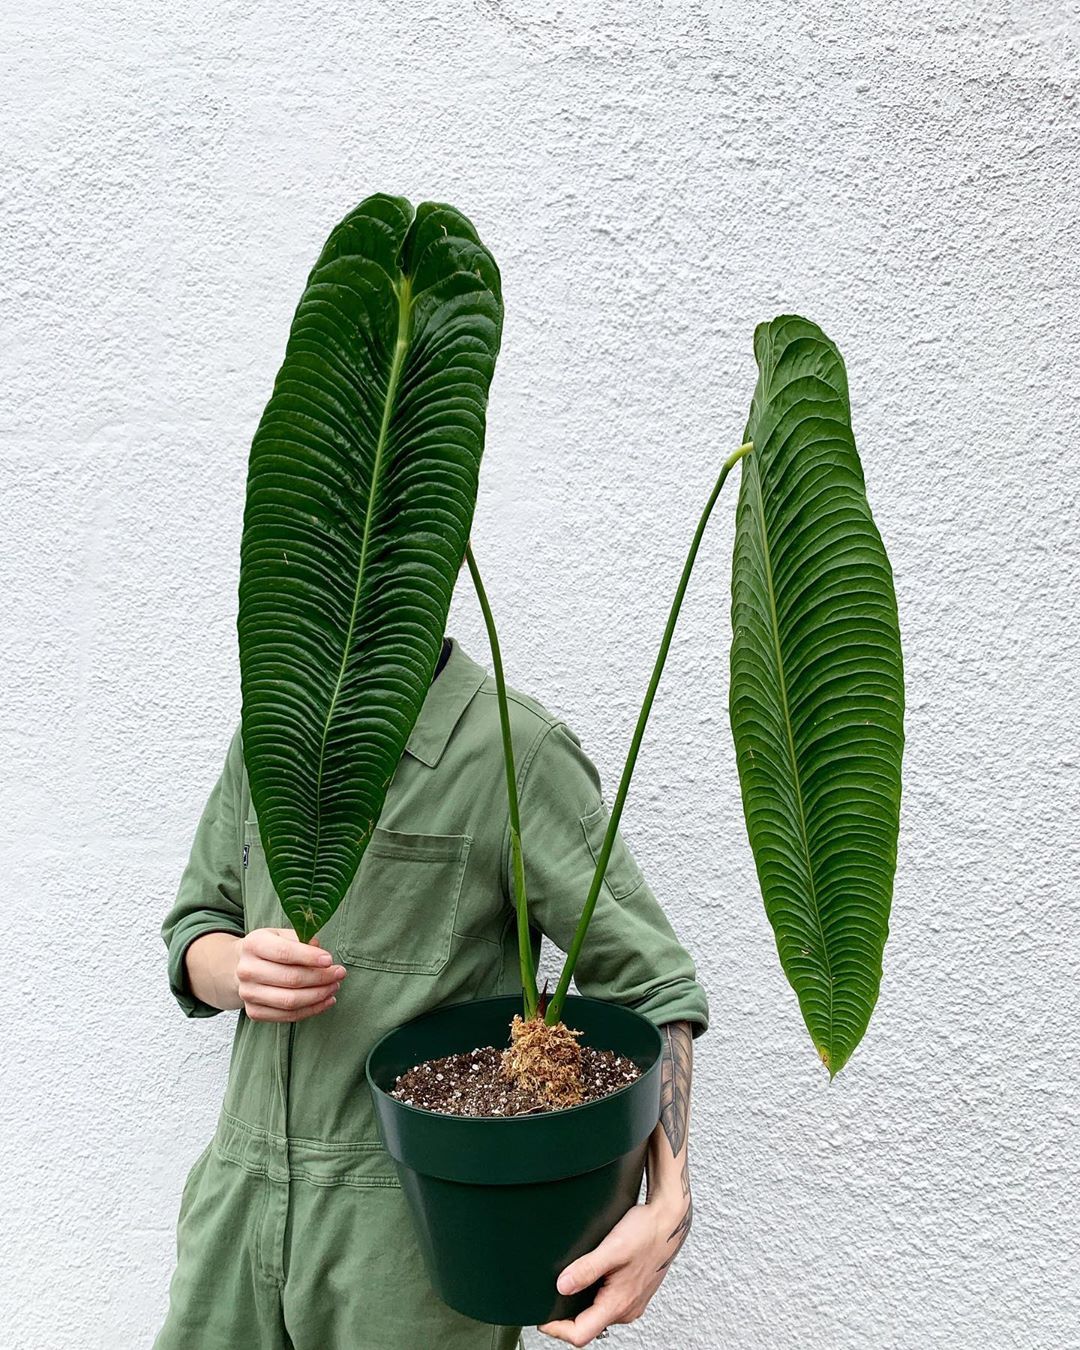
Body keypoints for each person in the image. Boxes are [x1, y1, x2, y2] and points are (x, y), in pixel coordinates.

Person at [156, 635, 707, 1350]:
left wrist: (669, 1205)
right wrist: (234, 968)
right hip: (233, 1211)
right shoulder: (271, 728)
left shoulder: (516, 750)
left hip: (409, 1241)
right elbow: (197, 925)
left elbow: (653, 987)